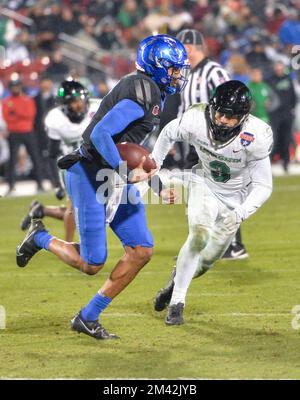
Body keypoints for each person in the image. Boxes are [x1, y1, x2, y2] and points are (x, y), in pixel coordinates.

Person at [16, 34, 190, 339]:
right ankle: (40, 237)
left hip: (110, 174)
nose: (179, 74)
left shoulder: (151, 89)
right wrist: (124, 172)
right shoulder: (143, 91)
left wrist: (157, 184)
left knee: (141, 250)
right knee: (92, 262)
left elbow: (131, 147)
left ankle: (87, 316)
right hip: (88, 173)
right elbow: (101, 136)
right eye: (174, 68)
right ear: (157, 66)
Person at [152, 80, 273, 324]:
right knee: (198, 237)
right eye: (219, 112)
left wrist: (240, 213)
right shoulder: (196, 120)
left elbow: (263, 185)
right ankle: (177, 303)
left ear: (243, 118)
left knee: (205, 263)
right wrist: (154, 166)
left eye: (230, 117)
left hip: (234, 200)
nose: (222, 120)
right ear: (212, 108)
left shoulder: (256, 136)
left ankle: (175, 281)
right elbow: (167, 133)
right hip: (204, 185)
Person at [176, 29, 248, 260]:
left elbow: (233, 100)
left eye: (181, 47)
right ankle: (205, 244)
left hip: (214, 141)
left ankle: (234, 245)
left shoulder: (213, 72)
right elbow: (184, 109)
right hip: (193, 143)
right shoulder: (186, 74)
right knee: (198, 194)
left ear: (190, 47)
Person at [20, 79, 101, 242]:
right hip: (69, 165)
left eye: (81, 102)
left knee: (88, 209)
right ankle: (68, 244)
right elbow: (52, 154)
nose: (80, 106)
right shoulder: (55, 119)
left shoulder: (97, 107)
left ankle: (41, 210)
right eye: (75, 103)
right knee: (75, 206)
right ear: (64, 105)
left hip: (92, 162)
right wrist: (57, 183)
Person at [2, 78, 44, 195]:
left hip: (27, 131)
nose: (15, 89)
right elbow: (7, 116)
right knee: (12, 160)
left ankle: (40, 183)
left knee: (35, 157)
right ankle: (11, 186)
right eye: (13, 87)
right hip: (14, 132)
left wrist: (15, 112)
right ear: (10, 88)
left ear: (20, 87)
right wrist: (17, 114)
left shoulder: (28, 100)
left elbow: (30, 115)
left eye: (17, 86)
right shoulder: (6, 101)